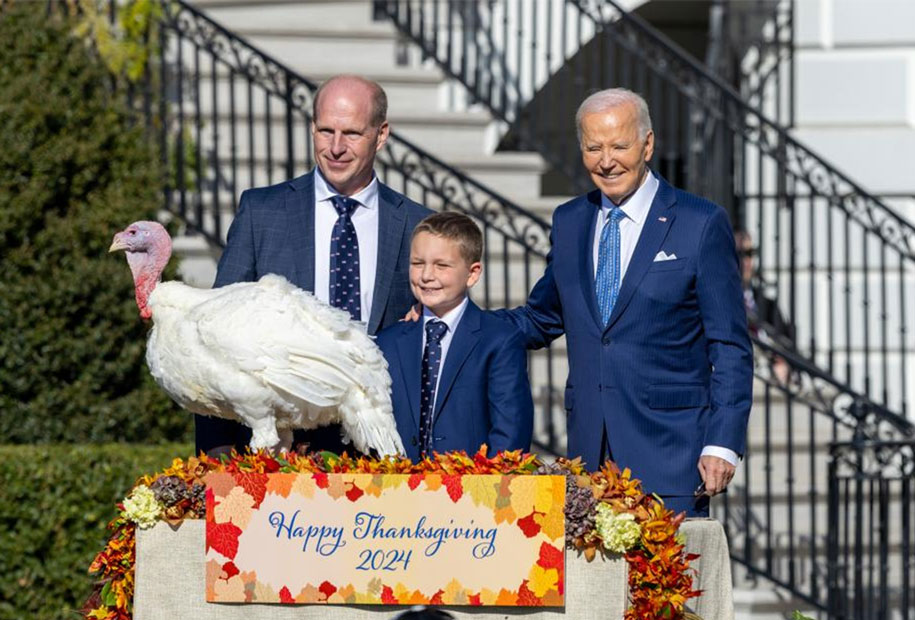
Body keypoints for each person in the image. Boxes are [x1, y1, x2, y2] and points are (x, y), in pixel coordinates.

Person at [496, 88, 753, 516]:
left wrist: (723, 442)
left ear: (647, 144)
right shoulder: (570, 220)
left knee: (666, 584)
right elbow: (542, 317)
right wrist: (456, 318)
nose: (606, 160)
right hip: (590, 458)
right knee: (594, 586)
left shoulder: (700, 223)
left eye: (619, 145)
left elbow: (730, 346)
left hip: (672, 455)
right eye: (593, 147)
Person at [195, 74, 431, 457]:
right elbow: (214, 337)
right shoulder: (262, 213)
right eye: (325, 131)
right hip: (280, 454)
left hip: (385, 452)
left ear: (381, 134)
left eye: (352, 133)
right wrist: (217, 459)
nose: (336, 147)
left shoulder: (417, 226)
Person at [377, 212, 534, 463]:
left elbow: (510, 432)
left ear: (472, 274)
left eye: (442, 265)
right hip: (398, 492)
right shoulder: (388, 342)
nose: (427, 275)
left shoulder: (499, 340)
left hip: (474, 493)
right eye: (418, 263)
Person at [734, 229, 795, 384]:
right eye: (739, 254)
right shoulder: (716, 302)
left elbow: (788, 346)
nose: (745, 261)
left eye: (749, 253)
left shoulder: (768, 305)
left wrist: (782, 363)